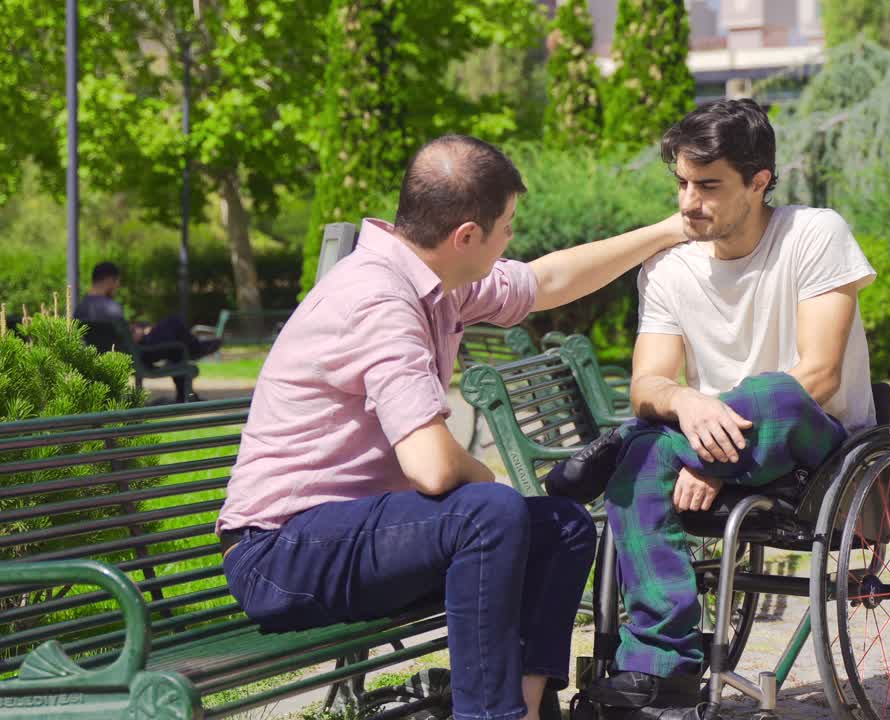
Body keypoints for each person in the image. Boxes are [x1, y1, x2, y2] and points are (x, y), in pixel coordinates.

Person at [215, 134, 688, 720]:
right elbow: (433, 466)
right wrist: (494, 484)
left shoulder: (438, 282)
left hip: (357, 537)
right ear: (466, 236)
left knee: (562, 527)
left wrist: (670, 231)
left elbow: (548, 281)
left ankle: (529, 706)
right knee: (488, 513)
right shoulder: (380, 299)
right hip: (281, 553)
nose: (512, 238)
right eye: (507, 225)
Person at [585, 99, 879, 717]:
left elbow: (819, 373)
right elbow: (649, 384)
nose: (689, 202)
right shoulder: (668, 267)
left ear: (759, 182)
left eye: (709, 185)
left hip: (814, 449)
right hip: (711, 445)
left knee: (775, 389)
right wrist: (687, 401)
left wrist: (716, 454)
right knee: (641, 456)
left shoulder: (816, 233)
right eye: (683, 184)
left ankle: (602, 457)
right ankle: (661, 666)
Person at [75, 261, 222, 398]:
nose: (117, 286)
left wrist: (136, 330)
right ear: (108, 281)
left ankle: (185, 390)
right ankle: (196, 349)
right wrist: (140, 333)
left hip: (117, 354)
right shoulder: (110, 307)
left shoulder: (80, 309)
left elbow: (115, 333)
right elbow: (132, 338)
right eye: (117, 281)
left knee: (173, 340)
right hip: (138, 355)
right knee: (174, 323)